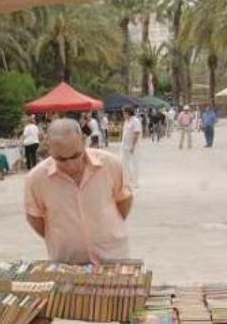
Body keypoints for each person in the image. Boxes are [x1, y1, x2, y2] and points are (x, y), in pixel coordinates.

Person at [24, 118, 133, 265]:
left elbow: (124, 201)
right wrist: (64, 237)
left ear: (83, 141)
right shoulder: (36, 178)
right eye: (61, 159)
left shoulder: (110, 164)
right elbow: (35, 218)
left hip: (113, 257)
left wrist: (104, 228)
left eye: (76, 155)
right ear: (48, 147)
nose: (70, 164)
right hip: (67, 263)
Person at [120, 107, 143, 188]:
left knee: (135, 163)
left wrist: (133, 146)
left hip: (134, 146)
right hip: (125, 145)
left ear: (128, 113)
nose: (123, 114)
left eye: (124, 113)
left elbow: (136, 134)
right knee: (124, 163)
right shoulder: (126, 121)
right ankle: (129, 179)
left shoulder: (135, 121)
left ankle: (135, 182)